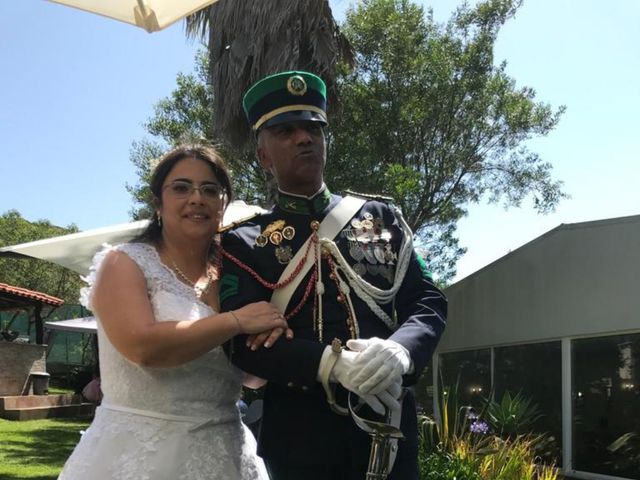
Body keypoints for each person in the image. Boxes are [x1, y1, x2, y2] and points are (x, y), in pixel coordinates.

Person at [220, 71, 448, 479]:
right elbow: (242, 345)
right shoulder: (244, 242)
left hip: (389, 425)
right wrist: (330, 365)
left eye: (313, 129)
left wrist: (402, 350)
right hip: (300, 437)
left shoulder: (381, 217)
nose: (304, 139)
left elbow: (427, 301)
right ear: (263, 155)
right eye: (286, 131)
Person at [59, 145, 290, 480]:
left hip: (226, 454)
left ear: (223, 204)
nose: (197, 198)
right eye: (181, 188)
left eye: (210, 190)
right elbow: (142, 346)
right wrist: (236, 321)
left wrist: (272, 336)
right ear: (158, 202)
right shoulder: (125, 262)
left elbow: (253, 378)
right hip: (139, 454)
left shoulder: (237, 276)